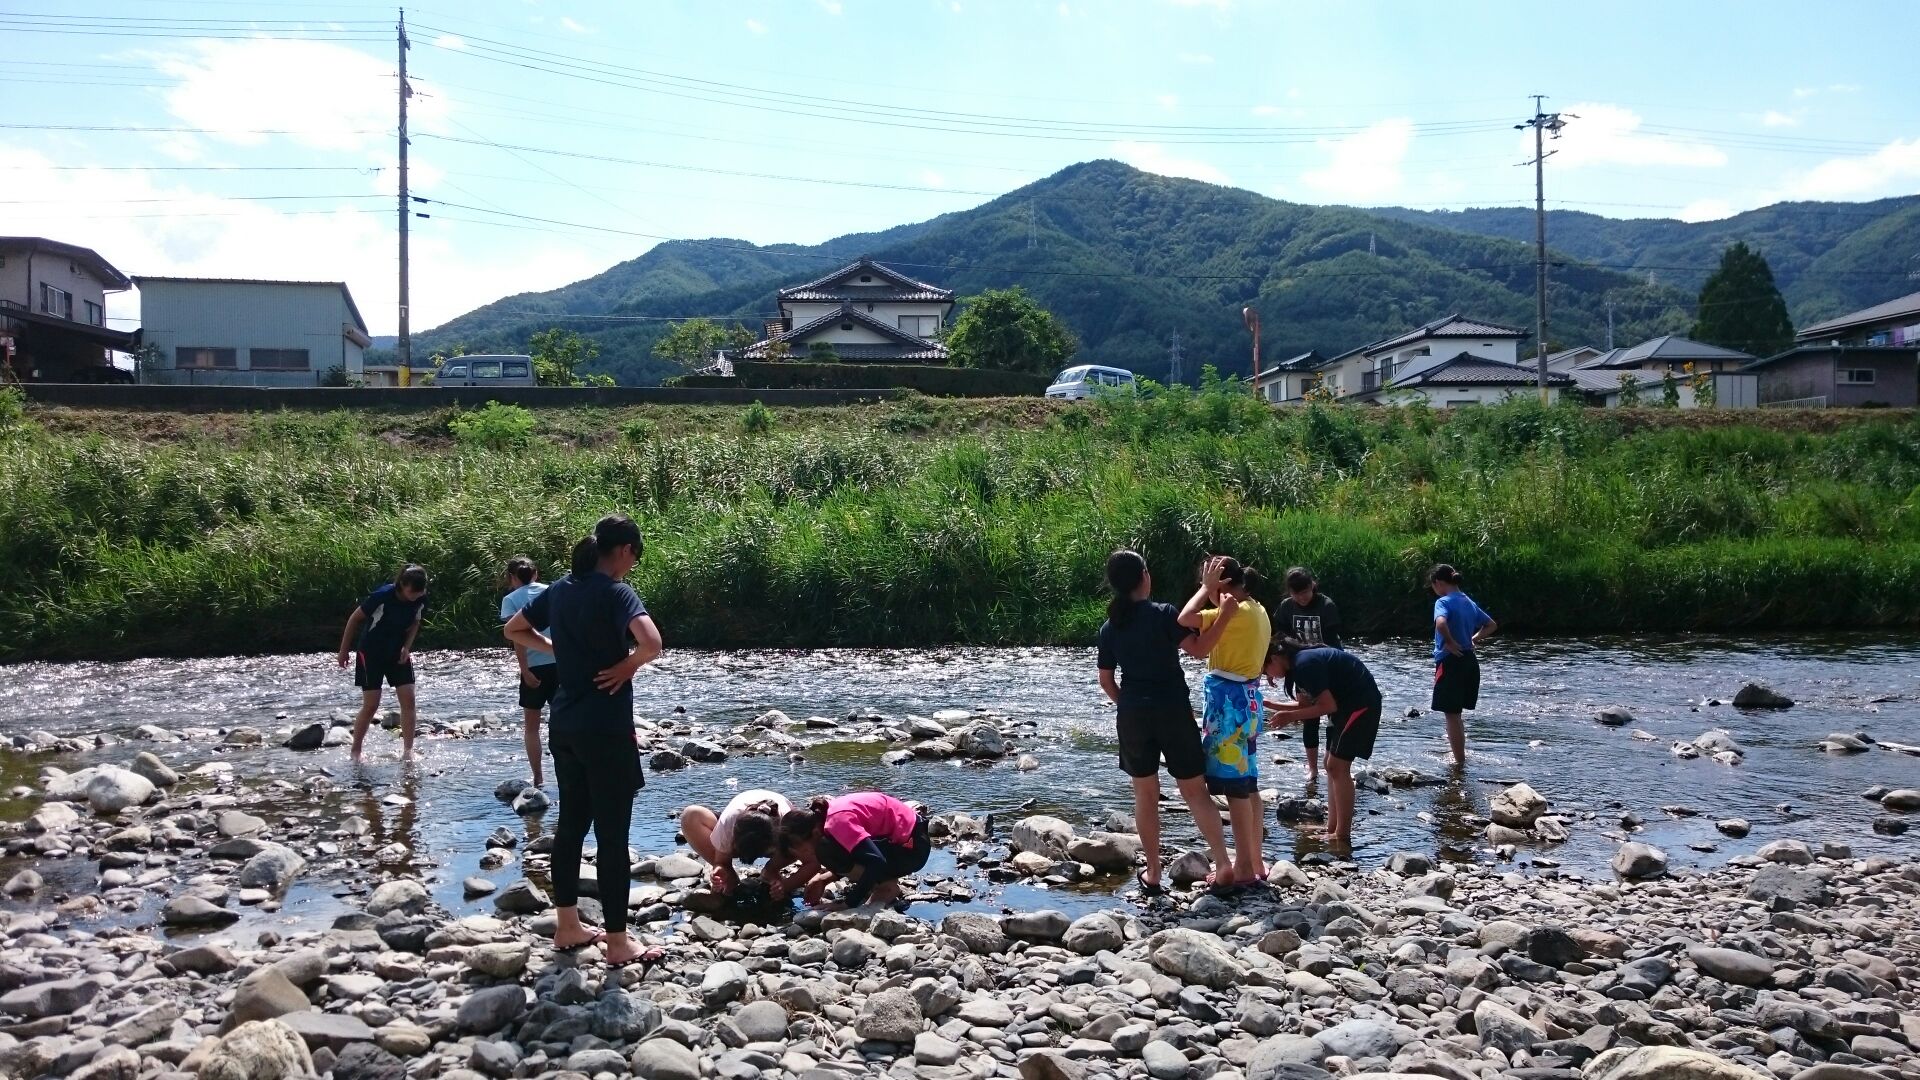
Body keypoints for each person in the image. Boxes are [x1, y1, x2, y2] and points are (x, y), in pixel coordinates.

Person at [503, 515, 662, 966]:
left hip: (565, 725)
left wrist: (557, 650)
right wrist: (627, 667)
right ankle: (618, 942)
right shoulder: (616, 592)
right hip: (606, 728)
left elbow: (514, 629)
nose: (632, 565)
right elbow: (652, 643)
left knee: (571, 826)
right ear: (625, 550)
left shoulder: (559, 590)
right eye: (634, 556)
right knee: (612, 836)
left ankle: (568, 926)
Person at [1096, 550, 1234, 896]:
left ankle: (1154, 871)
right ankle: (1223, 864)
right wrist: (1223, 614)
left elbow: (1106, 681)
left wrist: (1129, 705)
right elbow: (1200, 650)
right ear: (1145, 576)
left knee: (1145, 794)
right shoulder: (1163, 614)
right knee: (1194, 791)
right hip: (1173, 709)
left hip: (1133, 715)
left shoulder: (1110, 627)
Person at [1177, 555, 1272, 891]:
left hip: (1229, 707)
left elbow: (1184, 618)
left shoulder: (1234, 613)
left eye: (1208, 584)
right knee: (1247, 783)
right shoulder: (1258, 609)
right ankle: (1255, 861)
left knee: (1234, 787)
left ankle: (1243, 866)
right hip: (1248, 702)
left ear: (1223, 584)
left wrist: (1206, 588)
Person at [1263, 638, 1383, 847]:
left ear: (1274, 658)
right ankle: (1332, 827)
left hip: (1360, 705)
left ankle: (1342, 834)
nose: (1268, 676)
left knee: (1338, 766)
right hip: (1345, 706)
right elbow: (1306, 705)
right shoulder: (1297, 666)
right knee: (1330, 765)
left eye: (1265, 670)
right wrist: (1272, 704)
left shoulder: (1304, 664)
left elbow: (1327, 706)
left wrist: (1289, 717)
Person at [337, 565, 429, 763]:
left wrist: (407, 647)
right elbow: (354, 619)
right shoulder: (382, 596)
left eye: (420, 592)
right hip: (371, 653)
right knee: (371, 705)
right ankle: (356, 751)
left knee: (409, 699)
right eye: (412, 591)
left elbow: (415, 622)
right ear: (402, 584)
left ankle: (408, 750)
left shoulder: (420, 598)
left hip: (398, 653)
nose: (416, 595)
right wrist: (344, 651)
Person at [778, 792, 928, 911]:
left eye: (804, 849)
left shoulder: (837, 822)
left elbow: (876, 861)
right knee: (834, 847)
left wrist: (848, 904)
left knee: (825, 850)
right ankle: (881, 881)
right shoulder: (829, 815)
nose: (804, 856)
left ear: (814, 833)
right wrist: (823, 879)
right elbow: (860, 851)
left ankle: (886, 886)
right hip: (907, 841)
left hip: (913, 850)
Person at [1270, 567, 1344, 786]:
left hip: (1327, 667)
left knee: (1332, 715)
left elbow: (1331, 641)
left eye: (1305, 592)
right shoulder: (1286, 607)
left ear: (1313, 585)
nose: (1302, 598)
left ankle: (1329, 762)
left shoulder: (1326, 605)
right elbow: (1279, 641)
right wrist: (1274, 669)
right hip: (1301, 667)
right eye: (1296, 594)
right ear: (1290, 592)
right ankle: (1312, 767)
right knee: (1308, 716)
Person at [1430, 563, 1497, 770]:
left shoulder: (1443, 601)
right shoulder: (1468, 601)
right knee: (1457, 715)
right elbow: (1491, 625)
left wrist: (1449, 641)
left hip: (1451, 661)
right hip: (1469, 660)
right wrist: (1473, 639)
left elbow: (1441, 623)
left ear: (1438, 583)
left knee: (1451, 715)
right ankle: (1459, 757)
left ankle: (1458, 763)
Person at [500, 556, 556, 789]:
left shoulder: (511, 599)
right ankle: (567, 771)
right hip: (561, 662)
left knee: (532, 728)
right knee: (562, 722)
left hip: (534, 667)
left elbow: (519, 639)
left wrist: (524, 670)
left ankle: (538, 777)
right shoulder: (552, 591)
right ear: (536, 574)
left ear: (512, 577)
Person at [681, 789, 798, 897]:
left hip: (780, 831)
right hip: (739, 821)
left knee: (797, 845)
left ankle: (770, 871)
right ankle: (731, 876)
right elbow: (721, 861)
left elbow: (805, 851)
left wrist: (785, 883)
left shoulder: (788, 823)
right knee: (690, 815)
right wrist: (721, 868)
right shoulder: (729, 823)